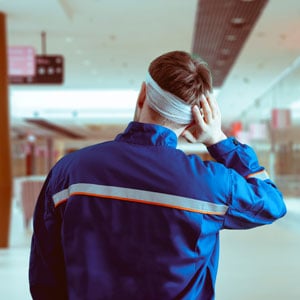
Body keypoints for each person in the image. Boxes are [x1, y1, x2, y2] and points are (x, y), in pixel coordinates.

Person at [29, 50, 286, 300]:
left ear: (143, 94)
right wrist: (219, 140)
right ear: (195, 120)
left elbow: (45, 275)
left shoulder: (70, 171)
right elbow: (272, 203)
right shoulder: (211, 184)